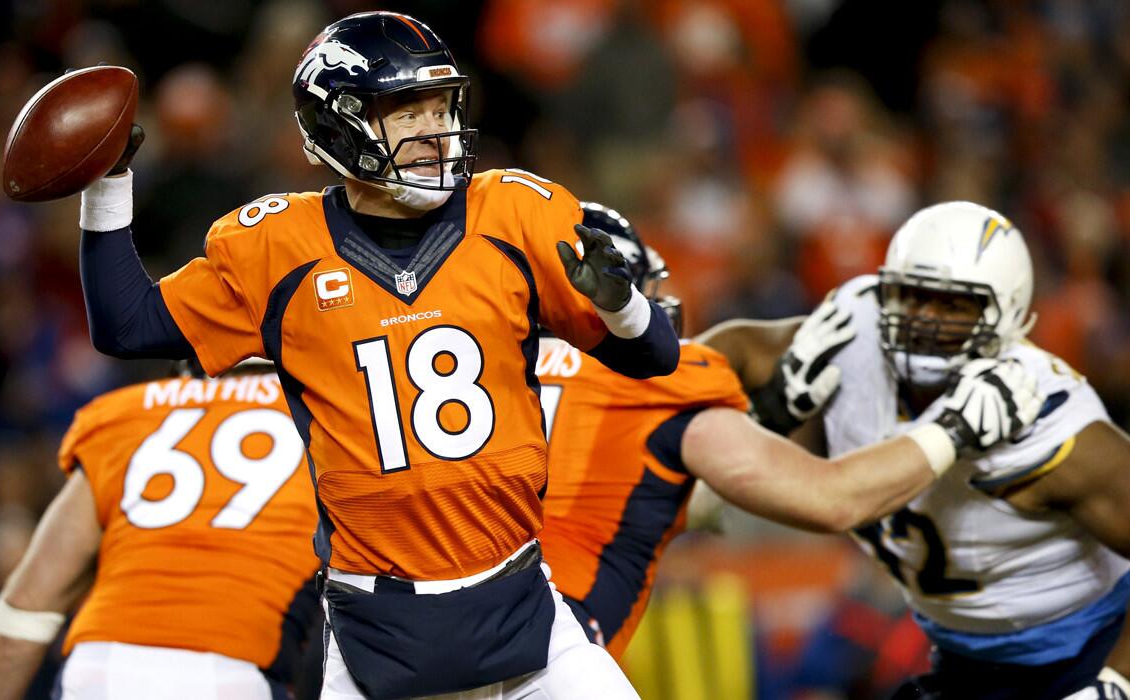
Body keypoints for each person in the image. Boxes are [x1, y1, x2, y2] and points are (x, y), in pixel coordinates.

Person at [71, 11, 679, 699]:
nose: (432, 131)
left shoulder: (514, 212)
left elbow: (654, 359)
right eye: (403, 111)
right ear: (341, 124)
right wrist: (107, 184)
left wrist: (621, 302)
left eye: (438, 107)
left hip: (526, 612)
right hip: (378, 634)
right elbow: (127, 325)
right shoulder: (276, 247)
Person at [534, 202, 1044, 662]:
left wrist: (771, 415)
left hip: (472, 621)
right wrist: (951, 431)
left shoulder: (482, 374)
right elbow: (833, 498)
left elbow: (648, 494)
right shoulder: (649, 382)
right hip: (551, 647)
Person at [699, 201, 1130, 700]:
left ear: (1006, 312)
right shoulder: (854, 337)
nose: (925, 319)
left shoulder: (1048, 423)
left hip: (1084, 653)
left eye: (953, 305)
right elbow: (725, 356)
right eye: (913, 296)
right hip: (962, 658)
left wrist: (1117, 681)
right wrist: (739, 395)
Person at [0, 360, 322, 699]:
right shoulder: (333, 423)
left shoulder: (126, 413)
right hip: (234, 674)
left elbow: (29, 605)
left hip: (100, 672)